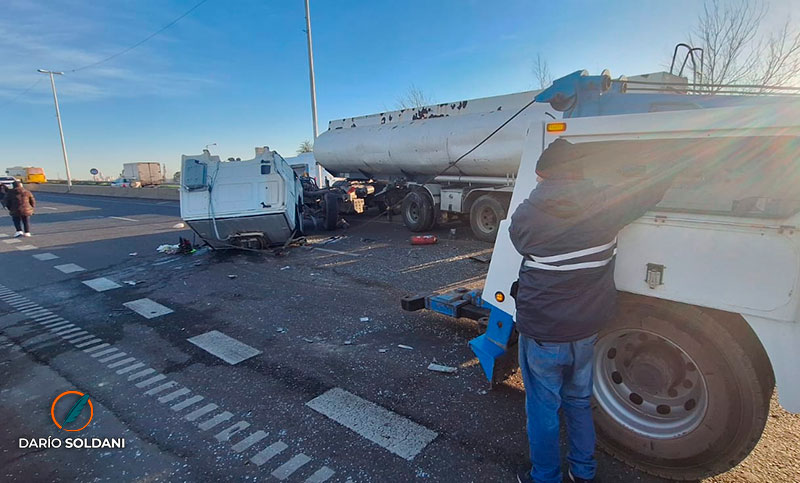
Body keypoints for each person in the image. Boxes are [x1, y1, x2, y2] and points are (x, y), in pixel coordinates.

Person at [509, 139, 675, 483]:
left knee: (543, 409)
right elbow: (650, 190)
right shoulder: (609, 205)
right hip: (585, 330)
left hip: (542, 331)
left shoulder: (527, 215)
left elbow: (519, 238)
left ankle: (545, 476)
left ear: (542, 176)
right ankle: (583, 472)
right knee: (579, 401)